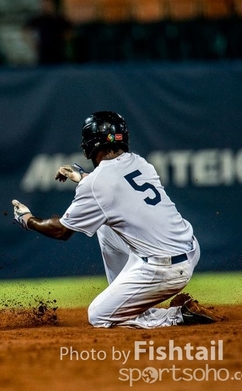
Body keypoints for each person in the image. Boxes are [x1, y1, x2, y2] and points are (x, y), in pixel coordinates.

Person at [11, 111, 216, 329]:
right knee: (106, 229)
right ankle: (128, 301)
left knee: (98, 315)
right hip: (189, 250)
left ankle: (177, 316)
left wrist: (28, 219)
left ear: (92, 144)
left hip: (166, 270)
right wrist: (83, 177)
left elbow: (61, 231)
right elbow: (114, 188)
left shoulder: (97, 184)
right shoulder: (140, 163)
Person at [24, 0, 73, 65]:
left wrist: (64, 41)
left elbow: (69, 30)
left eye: (48, 3)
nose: (46, 6)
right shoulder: (39, 19)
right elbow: (25, 30)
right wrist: (33, 44)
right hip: (44, 54)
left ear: (53, 4)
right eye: (44, 3)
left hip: (59, 54)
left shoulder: (59, 19)